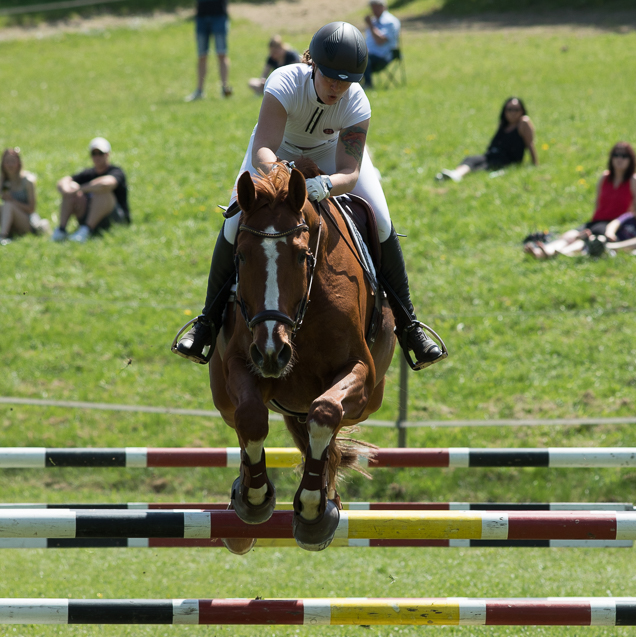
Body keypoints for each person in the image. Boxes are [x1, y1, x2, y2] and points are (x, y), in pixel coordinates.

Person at [172, 21, 446, 371]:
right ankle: (206, 324)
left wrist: (328, 184)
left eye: (346, 80)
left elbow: (350, 172)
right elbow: (264, 151)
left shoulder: (357, 103)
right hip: (275, 155)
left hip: (332, 160)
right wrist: (291, 171)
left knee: (381, 221)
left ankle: (410, 327)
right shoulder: (285, 81)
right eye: (331, 76)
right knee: (234, 221)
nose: (337, 87)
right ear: (313, 64)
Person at [524, 142, 636, 259]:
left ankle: (555, 253)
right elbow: (598, 205)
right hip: (597, 221)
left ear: (631, 159)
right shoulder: (604, 178)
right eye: (616, 155)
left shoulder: (634, 180)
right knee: (570, 235)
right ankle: (541, 251)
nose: (620, 159)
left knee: (586, 240)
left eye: (624, 156)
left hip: (616, 225)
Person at [436, 97, 537, 182]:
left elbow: (530, 144)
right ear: (504, 111)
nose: (512, 113)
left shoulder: (523, 123)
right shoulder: (503, 125)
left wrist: (535, 164)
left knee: (482, 167)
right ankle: (455, 174)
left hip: (507, 160)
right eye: (509, 109)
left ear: (522, 110)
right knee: (470, 159)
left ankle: (454, 177)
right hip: (491, 155)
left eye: (516, 109)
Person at [52, 138, 130, 243]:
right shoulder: (88, 173)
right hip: (91, 216)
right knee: (72, 190)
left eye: (100, 153)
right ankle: (61, 230)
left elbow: (106, 184)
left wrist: (81, 188)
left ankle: (86, 230)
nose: (97, 157)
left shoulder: (116, 171)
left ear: (107, 154)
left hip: (115, 218)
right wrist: (68, 190)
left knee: (102, 192)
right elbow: (63, 181)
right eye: (94, 153)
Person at [0, 148, 44, 245]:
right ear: (2, 164)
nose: (10, 165)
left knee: (7, 205)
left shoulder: (27, 181)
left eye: (13, 161)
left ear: (19, 163)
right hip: (11, 225)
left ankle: (2, 237)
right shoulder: (2, 183)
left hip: (28, 223)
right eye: (7, 162)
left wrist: (13, 201)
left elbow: (31, 209)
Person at [186, 0, 232, 101]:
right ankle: (199, 91)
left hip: (219, 14)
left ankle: (225, 89)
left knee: (222, 54)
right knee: (202, 55)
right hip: (202, 15)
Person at [362, 0, 400, 90]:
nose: (374, 10)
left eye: (376, 7)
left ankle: (368, 84)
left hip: (383, 56)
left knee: (364, 59)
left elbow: (380, 41)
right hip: (369, 54)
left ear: (384, 7)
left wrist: (370, 25)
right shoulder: (374, 21)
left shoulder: (391, 22)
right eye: (372, 7)